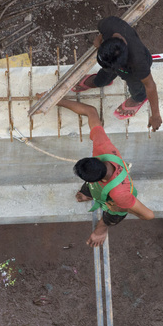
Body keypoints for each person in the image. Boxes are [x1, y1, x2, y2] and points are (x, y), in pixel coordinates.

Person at [55, 98, 155, 247]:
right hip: (102, 186)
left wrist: (122, 207)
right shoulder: (102, 148)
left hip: (115, 202)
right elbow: (90, 111)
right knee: (87, 191)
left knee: (111, 216)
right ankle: (89, 193)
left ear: (97, 181)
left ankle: (101, 230)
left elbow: (149, 215)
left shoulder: (120, 194)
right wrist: (58, 101)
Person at [73, 16, 162, 131]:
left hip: (132, 72)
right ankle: (101, 81)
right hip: (112, 62)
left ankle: (138, 98)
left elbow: (150, 86)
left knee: (136, 86)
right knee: (104, 74)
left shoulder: (138, 62)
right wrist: (99, 41)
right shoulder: (108, 24)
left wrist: (155, 115)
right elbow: (102, 38)